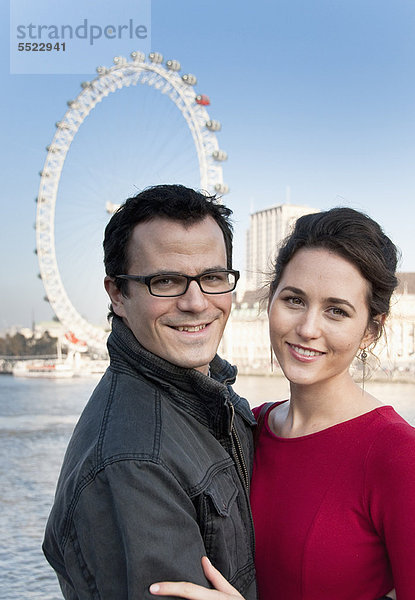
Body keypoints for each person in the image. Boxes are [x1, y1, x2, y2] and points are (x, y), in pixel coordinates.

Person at [150, 207, 414, 599]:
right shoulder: (246, 428)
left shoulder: (398, 455)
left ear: (369, 332)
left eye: (336, 311)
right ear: (270, 301)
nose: (307, 328)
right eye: (294, 300)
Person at [42, 184, 257, 599]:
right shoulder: (133, 460)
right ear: (118, 294)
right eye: (167, 281)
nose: (196, 302)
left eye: (213, 277)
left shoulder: (212, 399)